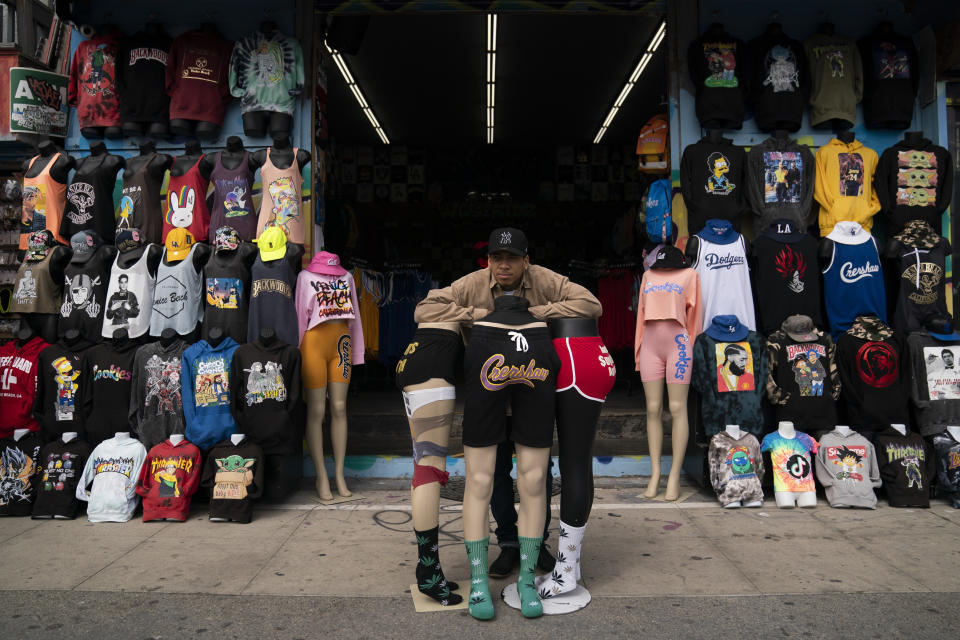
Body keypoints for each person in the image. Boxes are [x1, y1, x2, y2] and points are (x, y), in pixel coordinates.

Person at [414, 227, 601, 594]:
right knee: (494, 472)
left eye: (512, 258)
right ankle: (508, 544)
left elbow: (591, 304)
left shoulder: (544, 279)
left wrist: (534, 313)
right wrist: (479, 315)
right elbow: (425, 307)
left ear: (526, 260)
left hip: (534, 386)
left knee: (537, 475)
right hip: (489, 387)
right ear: (488, 261)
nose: (504, 265)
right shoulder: (474, 283)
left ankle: (538, 546)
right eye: (497, 258)